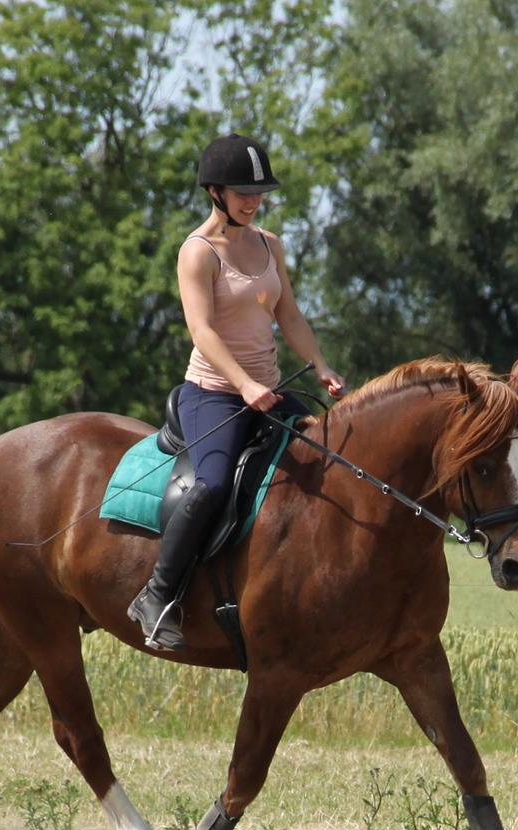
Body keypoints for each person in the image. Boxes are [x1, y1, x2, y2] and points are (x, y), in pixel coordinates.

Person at [128, 133, 346, 651]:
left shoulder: (270, 244)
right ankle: (157, 596)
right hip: (214, 396)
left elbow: (287, 314)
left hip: (268, 390)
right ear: (215, 192)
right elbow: (202, 330)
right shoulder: (197, 253)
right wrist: (243, 384)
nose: (253, 201)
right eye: (242, 192)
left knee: (330, 458)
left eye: (259, 193)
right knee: (213, 485)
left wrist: (319, 365)